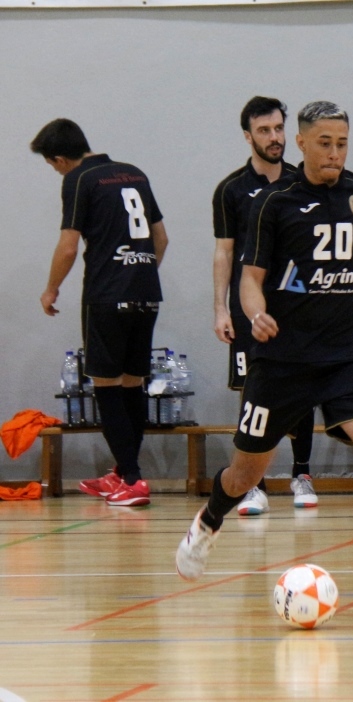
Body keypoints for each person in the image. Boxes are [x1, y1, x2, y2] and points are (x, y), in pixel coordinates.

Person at [176, 101, 353, 616]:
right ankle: (209, 520)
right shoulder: (274, 204)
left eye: (342, 143)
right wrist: (255, 315)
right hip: (282, 362)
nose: (335, 153)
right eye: (325, 143)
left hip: (346, 359)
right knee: (245, 473)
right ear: (301, 143)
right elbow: (249, 281)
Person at [32, 118, 168, 507]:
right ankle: (122, 472)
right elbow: (161, 237)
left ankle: (133, 479)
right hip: (146, 293)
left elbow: (69, 246)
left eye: (52, 164)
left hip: (106, 297)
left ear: (60, 158)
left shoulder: (78, 179)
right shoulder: (135, 174)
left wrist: (51, 288)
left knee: (106, 386)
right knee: (132, 383)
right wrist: (139, 274)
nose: (56, 170)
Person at [212, 96, 318, 515]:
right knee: (254, 390)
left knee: (303, 387)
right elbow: (224, 253)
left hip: (297, 305)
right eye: (264, 131)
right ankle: (252, 484)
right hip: (249, 307)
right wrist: (220, 309)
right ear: (247, 135)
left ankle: (302, 473)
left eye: (278, 129)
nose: (274, 138)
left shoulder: (302, 181)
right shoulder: (231, 190)